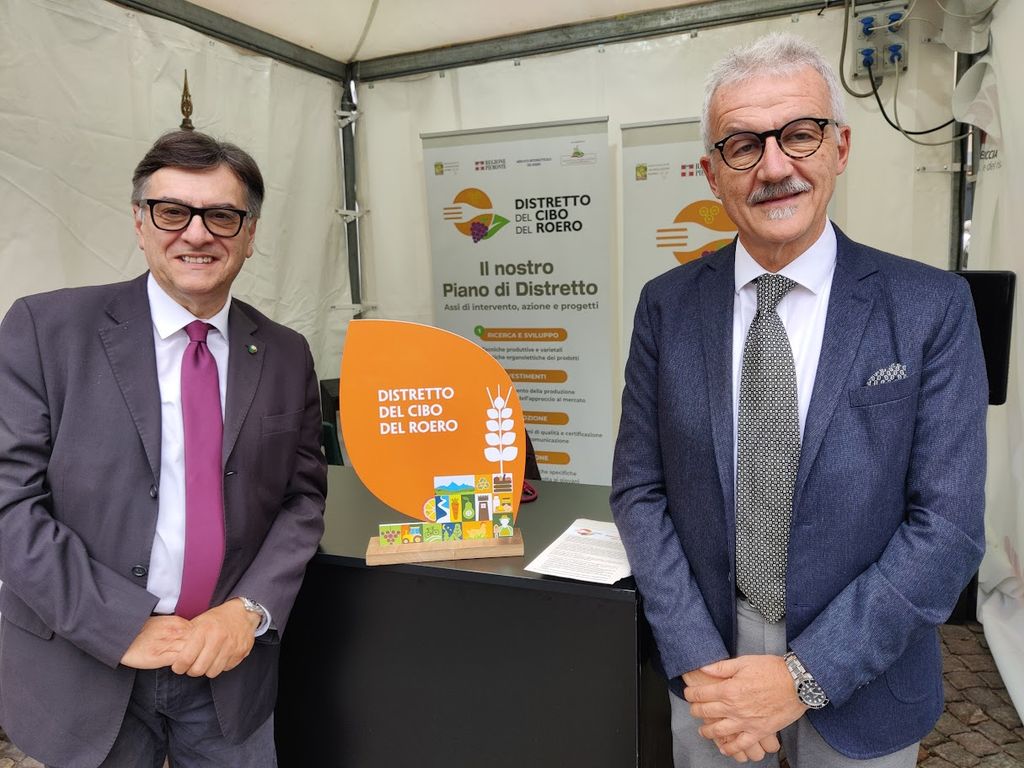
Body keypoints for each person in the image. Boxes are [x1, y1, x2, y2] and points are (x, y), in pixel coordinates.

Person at [611, 32, 986, 768]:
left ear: (839, 148)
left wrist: (803, 676)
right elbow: (639, 489)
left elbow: (947, 528)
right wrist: (695, 658)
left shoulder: (931, 307)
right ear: (712, 173)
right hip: (712, 669)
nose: (775, 166)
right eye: (743, 146)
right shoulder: (666, 306)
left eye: (800, 135)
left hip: (867, 668)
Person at [0, 130, 328, 767]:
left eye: (222, 216)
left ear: (250, 234)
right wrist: (117, 624)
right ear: (139, 222)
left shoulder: (287, 353)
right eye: (172, 211)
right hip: (85, 663)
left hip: (227, 667)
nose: (197, 234)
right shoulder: (45, 331)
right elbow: (10, 505)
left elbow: (302, 500)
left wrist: (249, 610)